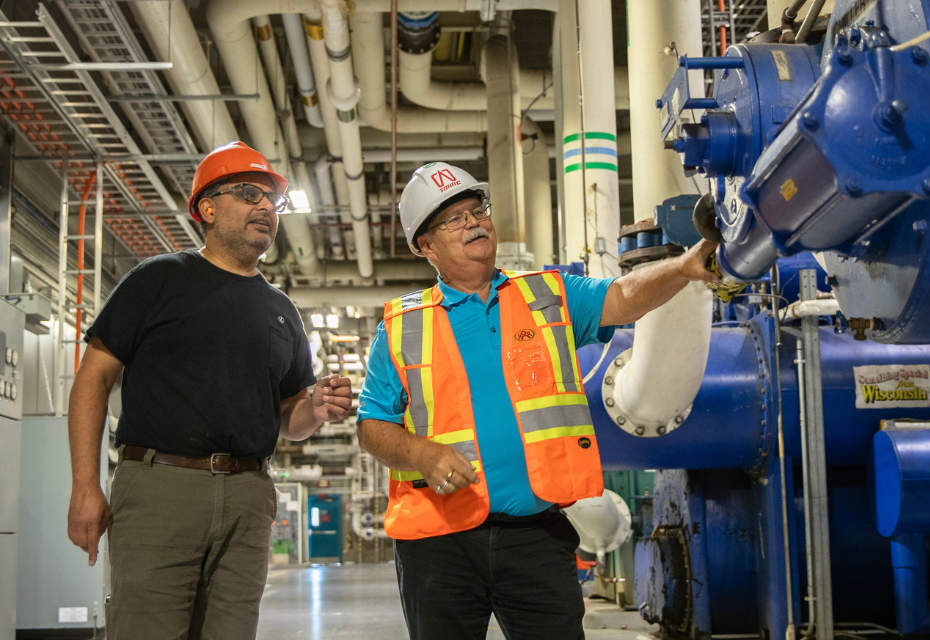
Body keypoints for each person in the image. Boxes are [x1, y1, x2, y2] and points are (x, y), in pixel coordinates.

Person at [357, 162, 719, 640]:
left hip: (536, 534)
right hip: (438, 544)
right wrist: (423, 453)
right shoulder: (402, 327)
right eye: (453, 219)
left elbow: (625, 295)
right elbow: (371, 426)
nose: (473, 222)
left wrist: (686, 266)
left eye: (476, 210)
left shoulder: (546, 295)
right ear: (426, 246)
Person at [66, 141, 353, 640]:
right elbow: (92, 378)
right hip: (161, 489)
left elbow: (290, 418)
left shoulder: (281, 310)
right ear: (207, 208)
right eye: (249, 194)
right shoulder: (157, 281)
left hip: (249, 496)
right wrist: (85, 486)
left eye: (273, 200)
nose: (266, 207)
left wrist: (315, 407)